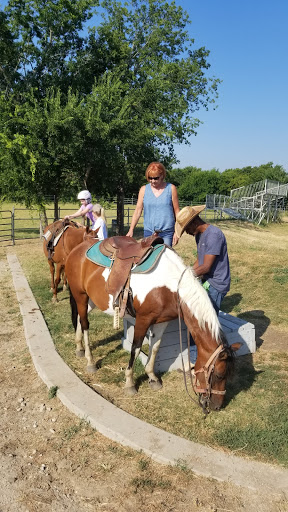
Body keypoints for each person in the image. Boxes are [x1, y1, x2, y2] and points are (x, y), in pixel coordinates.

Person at [175, 205, 231, 365]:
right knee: (198, 318)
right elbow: (200, 260)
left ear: (193, 222)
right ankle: (199, 355)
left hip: (216, 284)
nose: (186, 232)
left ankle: (201, 360)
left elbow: (205, 267)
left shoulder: (213, 235)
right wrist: (187, 271)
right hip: (207, 281)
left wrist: (185, 277)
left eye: (186, 228)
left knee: (205, 324)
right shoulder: (200, 235)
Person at [126, 162, 180, 246]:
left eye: (156, 178)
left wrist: (177, 232)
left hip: (166, 233)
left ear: (162, 176)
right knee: (147, 257)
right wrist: (131, 229)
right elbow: (137, 211)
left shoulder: (171, 188)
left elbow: (177, 212)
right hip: (149, 232)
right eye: (150, 178)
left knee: (164, 257)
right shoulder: (144, 190)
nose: (153, 181)